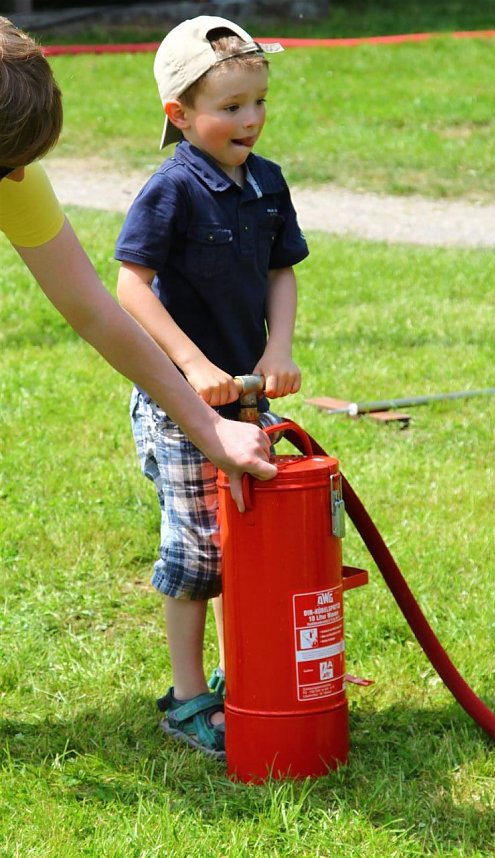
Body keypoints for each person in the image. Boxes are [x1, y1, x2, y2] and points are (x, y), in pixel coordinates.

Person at [114, 15, 309, 758]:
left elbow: (279, 270)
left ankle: (246, 676)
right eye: (230, 108)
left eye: (257, 101)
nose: (250, 119)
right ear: (180, 115)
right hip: (181, 405)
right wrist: (192, 368)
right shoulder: (172, 188)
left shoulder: (266, 183)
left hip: (247, 400)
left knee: (247, 545)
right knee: (199, 552)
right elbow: (130, 288)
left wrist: (279, 346)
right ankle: (188, 697)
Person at [0, 16, 277, 510]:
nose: (18, 176)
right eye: (4, 165)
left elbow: (94, 310)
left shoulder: (15, 179)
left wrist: (212, 426)